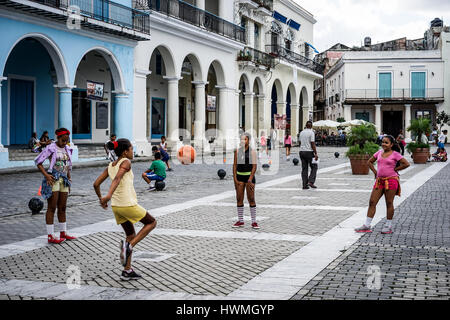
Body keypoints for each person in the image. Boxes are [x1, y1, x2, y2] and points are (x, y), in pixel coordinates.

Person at [93, 138, 157, 281]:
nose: (133, 151)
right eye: (131, 149)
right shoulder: (126, 162)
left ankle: (127, 270)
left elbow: (96, 184)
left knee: (130, 235)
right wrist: (108, 195)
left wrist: (101, 199)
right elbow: (117, 179)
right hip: (127, 204)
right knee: (152, 223)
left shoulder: (111, 165)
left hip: (117, 207)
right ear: (125, 151)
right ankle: (129, 247)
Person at [355, 135, 410, 235]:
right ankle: (367, 225)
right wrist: (376, 172)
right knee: (372, 202)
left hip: (391, 181)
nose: (383, 144)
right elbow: (369, 162)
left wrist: (396, 170)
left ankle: (388, 226)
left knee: (389, 203)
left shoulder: (395, 154)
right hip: (379, 181)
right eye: (383, 142)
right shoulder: (379, 153)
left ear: (391, 144)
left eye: (386, 142)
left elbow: (406, 164)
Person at [35, 128, 77, 244]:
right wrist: (47, 176)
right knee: (52, 207)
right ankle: (50, 235)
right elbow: (38, 162)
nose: (64, 143)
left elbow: (67, 164)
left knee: (63, 207)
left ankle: (63, 232)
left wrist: (69, 177)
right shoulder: (51, 148)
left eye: (66, 141)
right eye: (63, 140)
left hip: (64, 180)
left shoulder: (67, 148)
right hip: (53, 179)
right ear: (58, 138)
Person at [232, 133, 259, 229]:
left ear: (249, 140)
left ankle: (254, 221)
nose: (243, 141)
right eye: (242, 139)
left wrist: (250, 178)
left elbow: (254, 166)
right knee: (239, 199)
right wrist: (235, 179)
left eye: (245, 139)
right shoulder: (237, 151)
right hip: (239, 177)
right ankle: (240, 221)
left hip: (249, 178)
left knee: (251, 199)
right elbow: (235, 165)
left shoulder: (252, 152)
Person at [299, 121, 319, 190]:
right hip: (309, 152)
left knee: (304, 168)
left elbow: (300, 142)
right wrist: (316, 153)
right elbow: (312, 143)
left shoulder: (301, 132)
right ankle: (311, 181)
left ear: (306, 125)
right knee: (314, 167)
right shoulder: (311, 132)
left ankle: (304, 185)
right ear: (311, 126)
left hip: (302, 151)